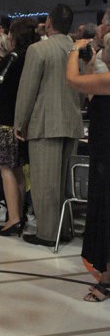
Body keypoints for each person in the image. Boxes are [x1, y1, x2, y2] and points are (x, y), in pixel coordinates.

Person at [14, 4, 84, 247]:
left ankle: (47, 233)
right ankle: (64, 229)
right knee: (65, 182)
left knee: (45, 182)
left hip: (45, 122)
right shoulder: (77, 50)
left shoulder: (38, 50)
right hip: (72, 121)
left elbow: (28, 91)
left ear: (49, 23)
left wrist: (19, 122)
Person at [0, 17, 38, 236]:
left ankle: (13, 218)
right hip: (21, 121)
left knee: (7, 171)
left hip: (6, 122)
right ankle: (18, 215)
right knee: (17, 171)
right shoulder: (29, 58)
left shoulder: (13, 59)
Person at [66, 39, 110, 301]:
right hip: (102, 157)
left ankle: (106, 280)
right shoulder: (103, 79)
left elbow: (72, 80)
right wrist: (90, 66)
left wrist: (74, 48)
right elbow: (95, 95)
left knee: (106, 212)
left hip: (107, 159)